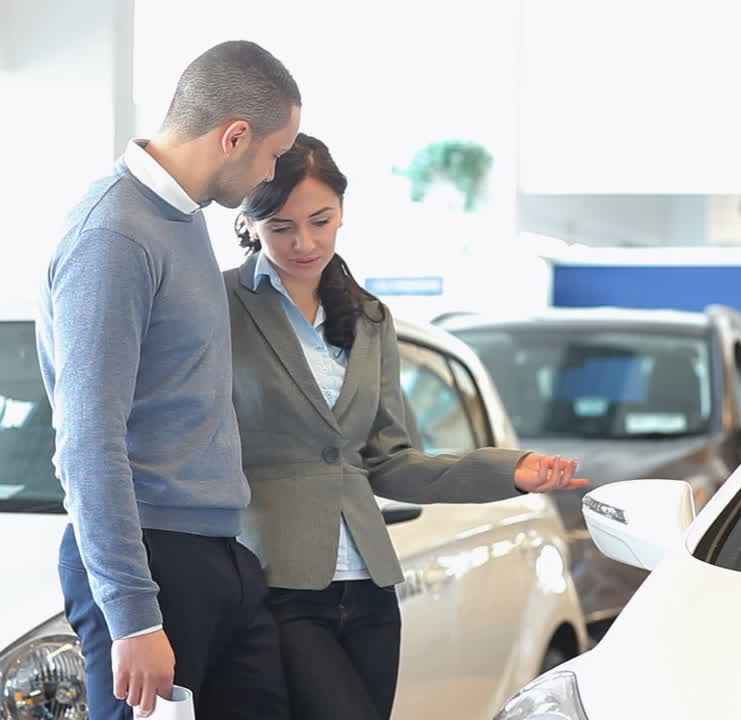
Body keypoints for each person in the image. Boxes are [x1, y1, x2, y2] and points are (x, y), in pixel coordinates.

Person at [225, 133, 587, 720]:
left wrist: (511, 470)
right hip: (276, 583)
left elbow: (391, 461)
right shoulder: (219, 306)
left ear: (342, 211)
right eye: (280, 227)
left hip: (369, 589)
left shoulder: (370, 318)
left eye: (321, 220)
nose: (305, 242)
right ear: (250, 223)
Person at [35, 41, 300, 720]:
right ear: (233, 136)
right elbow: (88, 440)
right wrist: (131, 614)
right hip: (153, 562)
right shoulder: (115, 234)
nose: (272, 172)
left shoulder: (179, 222)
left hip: (215, 554)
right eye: (273, 154)